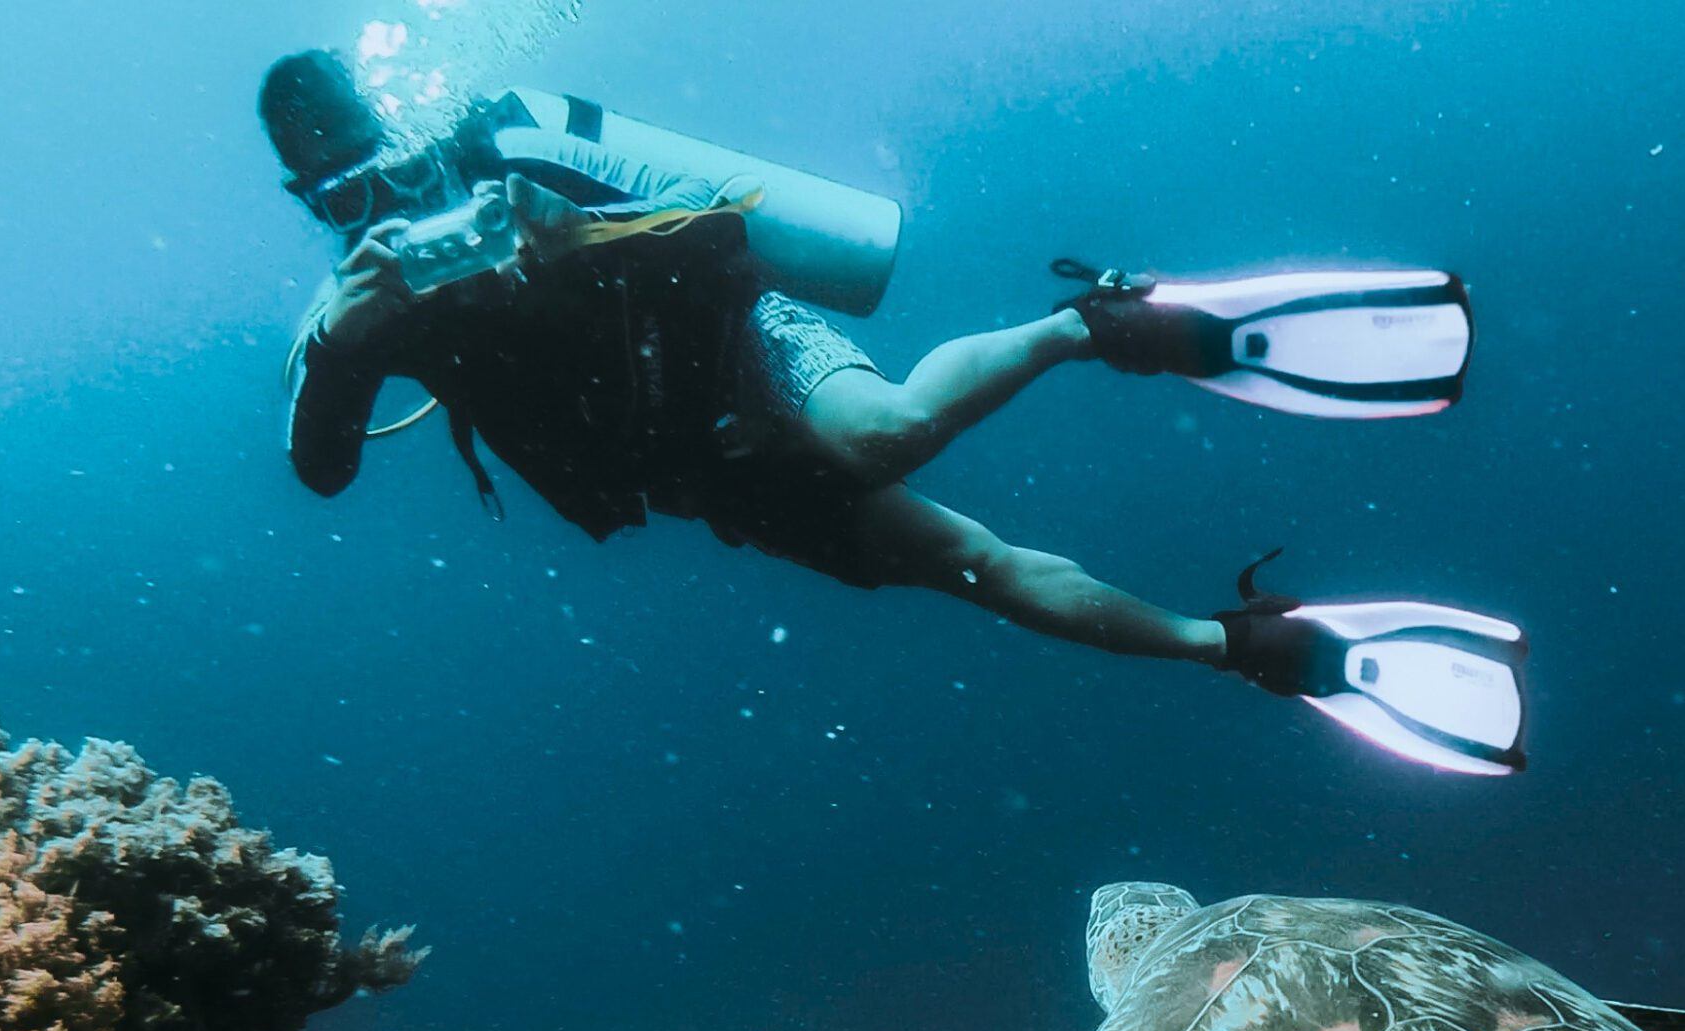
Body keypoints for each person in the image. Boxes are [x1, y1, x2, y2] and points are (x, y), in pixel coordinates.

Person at [260, 51, 1527, 768]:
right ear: (307, 203)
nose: (375, 212)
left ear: (405, 133)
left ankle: (1101, 326)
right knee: (969, 566)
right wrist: (346, 349)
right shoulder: (354, 311)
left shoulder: (516, 160)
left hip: (747, 349)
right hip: (710, 475)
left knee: (883, 431)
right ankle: (1246, 646)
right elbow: (318, 471)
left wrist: (561, 240)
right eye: (334, 201)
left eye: (381, 172)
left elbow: (723, 238)